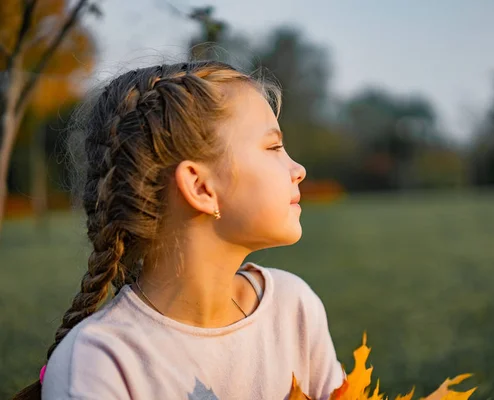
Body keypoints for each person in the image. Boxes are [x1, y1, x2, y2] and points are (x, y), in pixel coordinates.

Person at [13, 61, 344, 400]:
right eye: (273, 147)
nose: (298, 169)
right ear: (200, 187)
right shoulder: (99, 362)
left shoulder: (293, 308)